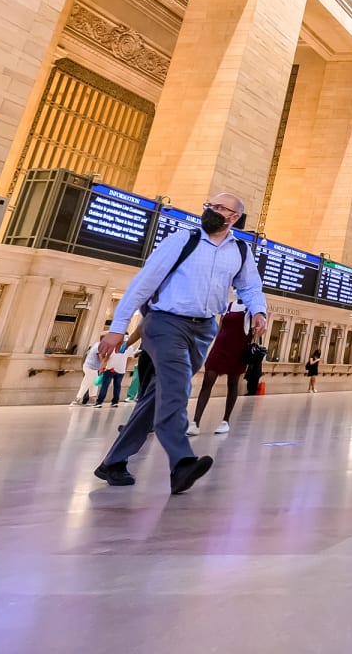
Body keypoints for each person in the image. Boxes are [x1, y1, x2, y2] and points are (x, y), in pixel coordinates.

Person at [91, 193, 267, 494]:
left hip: (204, 329)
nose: (210, 211)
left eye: (219, 208)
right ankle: (182, 462)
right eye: (208, 205)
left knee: (158, 395)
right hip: (165, 322)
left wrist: (259, 310)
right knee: (176, 389)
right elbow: (143, 282)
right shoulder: (182, 240)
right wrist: (117, 328)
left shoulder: (239, 250)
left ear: (234, 217)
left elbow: (249, 285)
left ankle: (113, 462)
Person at [189, 300, 251, 436]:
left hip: (238, 350)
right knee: (207, 381)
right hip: (220, 347)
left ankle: (226, 420)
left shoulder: (250, 308)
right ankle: (195, 422)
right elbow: (221, 327)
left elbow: (254, 332)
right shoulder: (228, 306)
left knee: (233, 384)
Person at [96, 341, 129, 408]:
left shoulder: (113, 344)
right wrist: (125, 367)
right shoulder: (129, 347)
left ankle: (99, 402)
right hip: (121, 369)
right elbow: (129, 358)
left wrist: (102, 368)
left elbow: (107, 357)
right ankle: (115, 402)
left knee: (105, 386)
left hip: (110, 368)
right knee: (117, 386)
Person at [71, 339, 103, 406]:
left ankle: (91, 400)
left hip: (90, 367)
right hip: (92, 368)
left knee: (93, 383)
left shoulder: (97, 344)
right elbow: (101, 358)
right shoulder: (99, 346)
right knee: (86, 383)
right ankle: (77, 399)